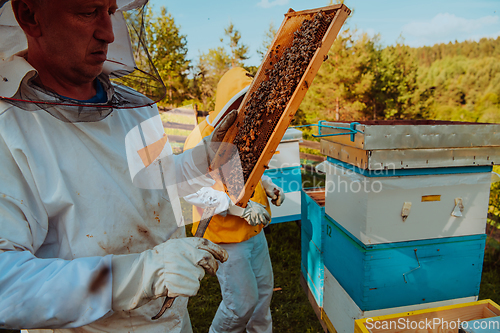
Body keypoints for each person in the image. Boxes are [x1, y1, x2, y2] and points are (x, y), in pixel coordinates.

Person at [0, 0, 236, 332]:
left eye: (110, 11)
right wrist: (139, 275)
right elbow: (7, 285)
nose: (108, 33)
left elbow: (156, 182)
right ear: (29, 16)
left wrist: (204, 160)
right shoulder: (8, 129)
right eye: (87, 12)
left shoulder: (134, 106)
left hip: (172, 321)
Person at [183, 67, 285, 333]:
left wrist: (267, 185)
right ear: (229, 101)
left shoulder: (244, 130)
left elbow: (249, 169)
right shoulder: (199, 138)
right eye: (243, 102)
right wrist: (239, 210)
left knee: (262, 297)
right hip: (226, 238)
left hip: (254, 232)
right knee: (240, 304)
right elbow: (194, 191)